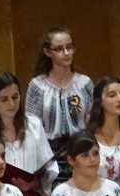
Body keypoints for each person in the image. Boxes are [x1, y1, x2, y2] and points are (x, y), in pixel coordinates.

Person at [25, 26, 93, 181]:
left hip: (81, 153)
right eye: (59, 49)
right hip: (50, 157)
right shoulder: (37, 86)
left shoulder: (84, 83)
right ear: (48, 52)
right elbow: (32, 127)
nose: (66, 53)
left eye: (69, 47)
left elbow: (93, 121)